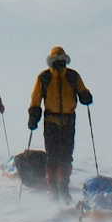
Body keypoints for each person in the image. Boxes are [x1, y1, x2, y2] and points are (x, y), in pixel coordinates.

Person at [26, 46, 92, 201]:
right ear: (52, 61)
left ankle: (63, 188)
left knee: (66, 156)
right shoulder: (44, 77)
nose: (59, 63)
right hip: (51, 121)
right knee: (53, 156)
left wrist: (85, 96)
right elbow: (35, 99)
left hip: (68, 120)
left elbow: (83, 91)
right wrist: (33, 116)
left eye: (61, 60)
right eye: (56, 61)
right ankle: (53, 190)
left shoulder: (73, 76)